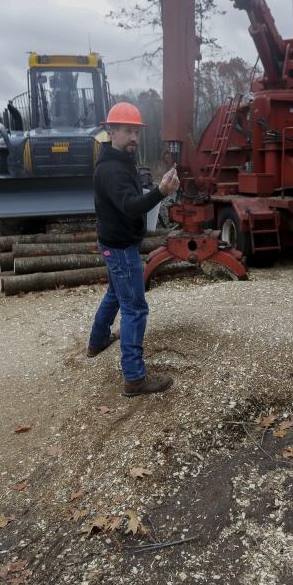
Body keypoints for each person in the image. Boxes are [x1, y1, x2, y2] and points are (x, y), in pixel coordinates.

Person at [86, 102, 180, 396]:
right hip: (121, 247)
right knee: (135, 309)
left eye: (136, 132)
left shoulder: (119, 159)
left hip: (115, 242)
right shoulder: (112, 169)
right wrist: (160, 193)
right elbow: (128, 206)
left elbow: (127, 200)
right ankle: (134, 378)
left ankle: (97, 341)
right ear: (111, 131)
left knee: (116, 293)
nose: (134, 138)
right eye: (127, 131)